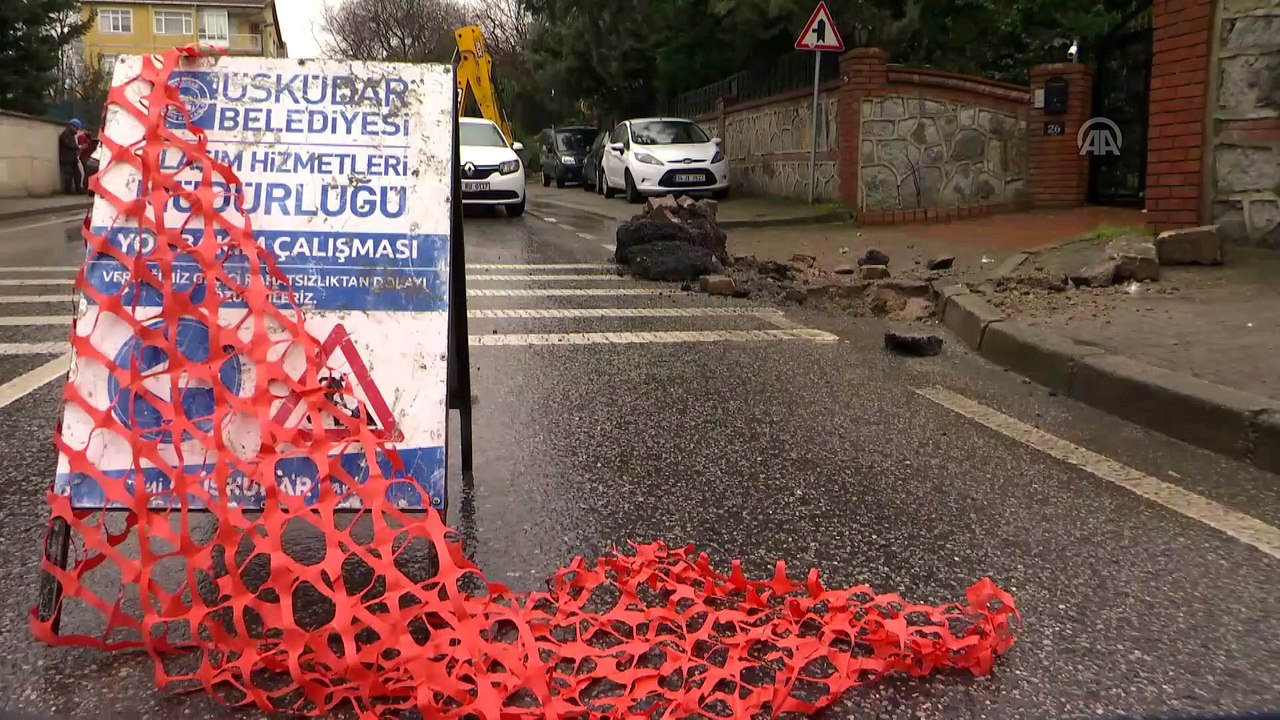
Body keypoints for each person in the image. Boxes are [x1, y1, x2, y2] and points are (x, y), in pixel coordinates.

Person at [58, 119, 84, 194]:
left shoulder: (71, 135)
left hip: (72, 159)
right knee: (68, 175)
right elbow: (69, 145)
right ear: (71, 126)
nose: (77, 130)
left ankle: (78, 189)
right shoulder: (66, 134)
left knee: (77, 174)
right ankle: (68, 191)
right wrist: (78, 147)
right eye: (76, 128)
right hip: (66, 159)